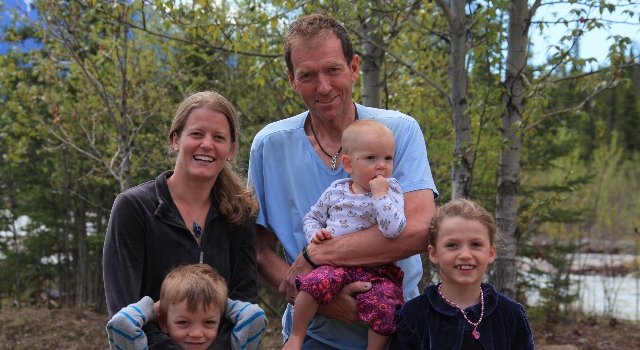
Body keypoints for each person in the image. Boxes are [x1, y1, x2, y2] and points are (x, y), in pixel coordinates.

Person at [248, 13, 438, 349]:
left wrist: (316, 255)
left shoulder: (398, 132)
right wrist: (314, 292)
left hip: (398, 328)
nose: (323, 86)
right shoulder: (270, 145)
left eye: (333, 69)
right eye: (307, 75)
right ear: (291, 79)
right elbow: (260, 249)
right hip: (312, 334)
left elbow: (419, 231)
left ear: (353, 67)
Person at [103, 91, 259, 349]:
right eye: (197, 134)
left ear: (230, 150)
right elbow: (123, 308)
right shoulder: (134, 208)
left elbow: (243, 302)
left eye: (218, 137)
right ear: (176, 139)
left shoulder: (239, 213)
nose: (207, 144)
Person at [283, 120, 406, 350]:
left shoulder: (392, 191)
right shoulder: (337, 190)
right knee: (311, 284)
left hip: (376, 269)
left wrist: (381, 196)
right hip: (334, 263)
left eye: (387, 158)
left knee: (387, 304)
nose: (381, 166)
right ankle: (296, 336)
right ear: (348, 164)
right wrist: (315, 236)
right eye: (371, 158)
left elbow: (394, 230)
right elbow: (311, 218)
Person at [388, 199, 535, 349]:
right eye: (452, 245)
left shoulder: (511, 314)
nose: (465, 254)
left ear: (491, 253)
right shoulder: (413, 315)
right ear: (434, 253)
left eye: (476, 244)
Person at [106, 264, 267, 350]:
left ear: (220, 319)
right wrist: (156, 308)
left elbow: (254, 317)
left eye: (209, 322)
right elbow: (122, 324)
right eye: (183, 322)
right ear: (163, 322)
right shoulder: (146, 346)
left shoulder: (234, 346)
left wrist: (220, 302)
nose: (197, 333)